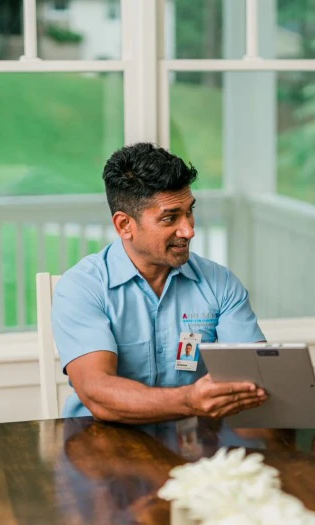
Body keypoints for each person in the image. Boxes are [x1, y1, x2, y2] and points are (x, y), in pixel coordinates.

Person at [52, 142, 267, 423]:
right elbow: (97, 392)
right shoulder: (81, 288)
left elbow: (256, 376)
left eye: (189, 211)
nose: (189, 230)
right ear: (124, 225)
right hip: (100, 444)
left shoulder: (220, 283)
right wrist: (189, 401)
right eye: (170, 218)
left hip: (195, 448)